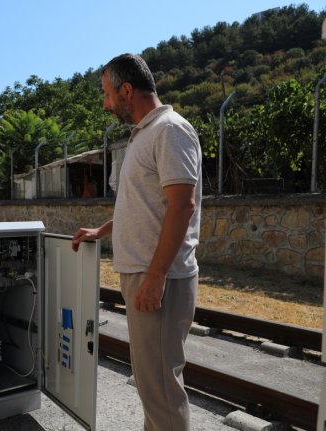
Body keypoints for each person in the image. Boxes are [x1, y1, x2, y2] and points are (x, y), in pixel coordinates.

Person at [72, 53, 201, 431]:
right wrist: (103, 231)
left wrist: (156, 275)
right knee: (153, 386)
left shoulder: (170, 130)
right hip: (145, 275)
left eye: (107, 94)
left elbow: (182, 205)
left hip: (156, 278)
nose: (105, 103)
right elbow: (146, 207)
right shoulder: (146, 134)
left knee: (161, 390)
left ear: (127, 90)